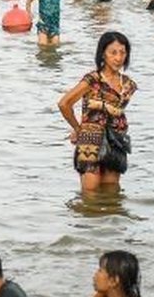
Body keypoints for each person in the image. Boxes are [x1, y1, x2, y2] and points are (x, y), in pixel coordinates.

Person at [58, 31, 137, 192]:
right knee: (90, 195)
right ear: (103, 54)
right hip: (90, 142)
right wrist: (78, 129)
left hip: (116, 141)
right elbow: (64, 104)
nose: (118, 58)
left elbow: (116, 112)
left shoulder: (128, 85)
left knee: (112, 194)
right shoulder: (92, 80)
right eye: (113, 52)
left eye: (122, 52)